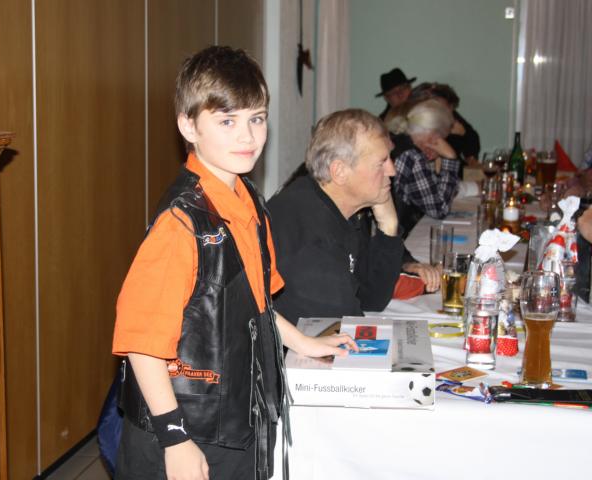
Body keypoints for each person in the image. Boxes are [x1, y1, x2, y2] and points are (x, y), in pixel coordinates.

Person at [111, 46, 355, 480]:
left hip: (237, 423)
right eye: (227, 121)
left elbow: (255, 304)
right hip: (185, 430)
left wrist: (302, 343)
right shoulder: (181, 224)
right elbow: (142, 347)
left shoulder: (249, 202)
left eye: (256, 119)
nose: (248, 137)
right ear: (189, 126)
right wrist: (174, 438)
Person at [268, 109, 405, 325]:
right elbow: (338, 327)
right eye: (382, 162)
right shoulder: (309, 232)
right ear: (340, 171)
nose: (392, 171)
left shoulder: (338, 209)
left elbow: (371, 298)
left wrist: (389, 225)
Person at [386, 99, 461, 235]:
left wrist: (437, 162)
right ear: (434, 136)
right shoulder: (413, 156)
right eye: (443, 138)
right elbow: (439, 209)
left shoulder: (396, 140)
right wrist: (450, 159)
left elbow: (429, 193)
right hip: (395, 236)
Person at [408, 82, 481, 164]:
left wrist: (465, 134)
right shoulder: (414, 131)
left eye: (450, 107)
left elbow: (472, 137)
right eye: (441, 108)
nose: (449, 114)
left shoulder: (450, 116)